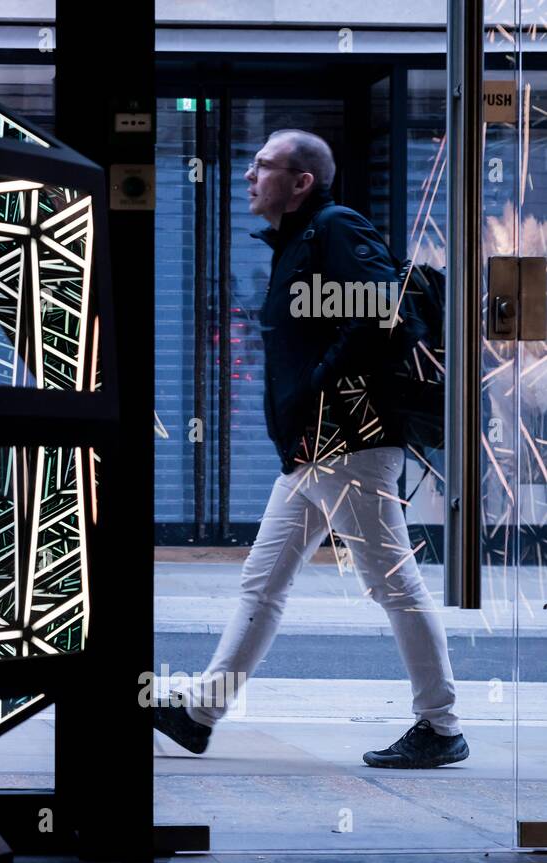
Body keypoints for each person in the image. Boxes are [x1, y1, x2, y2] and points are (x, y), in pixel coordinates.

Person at [153, 129, 468, 769]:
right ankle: (198, 714)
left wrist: (318, 384)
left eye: (263, 166)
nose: (248, 175)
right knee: (262, 582)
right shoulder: (298, 241)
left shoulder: (335, 226)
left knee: (393, 584)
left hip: (348, 443)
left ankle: (440, 725)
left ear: (301, 181)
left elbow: (388, 317)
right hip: (315, 447)